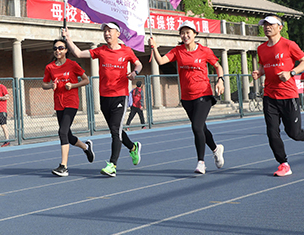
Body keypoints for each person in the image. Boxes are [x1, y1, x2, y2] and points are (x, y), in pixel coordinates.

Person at [62, 22, 143, 177]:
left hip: (120, 96)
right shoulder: (101, 50)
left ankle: (112, 165)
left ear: (117, 33)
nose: (106, 33)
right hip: (104, 97)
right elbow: (78, 54)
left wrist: (134, 73)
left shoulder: (126, 51)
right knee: (115, 129)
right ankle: (133, 147)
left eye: (109, 30)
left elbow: (138, 64)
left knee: (115, 131)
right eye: (104, 31)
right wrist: (68, 38)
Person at [149, 21, 226, 174]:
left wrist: (220, 80)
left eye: (188, 32)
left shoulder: (204, 51)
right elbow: (161, 61)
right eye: (182, 33)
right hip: (186, 97)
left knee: (196, 127)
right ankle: (216, 149)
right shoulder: (178, 51)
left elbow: (217, 66)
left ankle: (201, 162)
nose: (185, 35)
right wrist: (154, 48)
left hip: (203, 94)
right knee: (201, 127)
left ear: (195, 34)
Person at [251, 15, 304, 177]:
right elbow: (264, 66)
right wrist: (259, 72)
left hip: (288, 96)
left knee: (293, 133)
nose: (267, 27)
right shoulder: (261, 48)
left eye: (271, 24)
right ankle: (283, 163)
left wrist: (291, 73)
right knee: (272, 131)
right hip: (270, 95)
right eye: (265, 25)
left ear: (280, 27)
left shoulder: (289, 45)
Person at [42, 39, 95, 177]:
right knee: (68, 136)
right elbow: (44, 84)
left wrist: (73, 85)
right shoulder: (50, 67)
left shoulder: (73, 65)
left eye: (61, 48)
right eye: (55, 48)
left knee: (62, 132)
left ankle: (63, 166)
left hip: (71, 102)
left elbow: (86, 80)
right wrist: (50, 86)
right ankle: (86, 147)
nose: (57, 51)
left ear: (66, 50)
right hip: (58, 103)